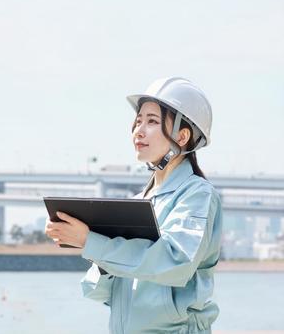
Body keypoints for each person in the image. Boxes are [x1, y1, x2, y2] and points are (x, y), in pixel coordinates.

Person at [45, 77, 223, 333]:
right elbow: (100, 293)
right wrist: (95, 246)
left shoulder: (197, 194)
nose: (138, 131)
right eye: (138, 121)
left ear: (182, 136)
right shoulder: (141, 201)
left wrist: (91, 242)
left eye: (152, 121)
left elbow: (177, 263)